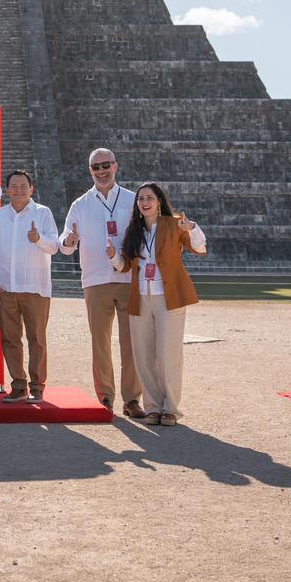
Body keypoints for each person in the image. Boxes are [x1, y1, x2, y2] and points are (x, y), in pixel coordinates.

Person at [108, 182, 206, 426]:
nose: (145, 202)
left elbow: (199, 248)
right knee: (143, 356)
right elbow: (126, 266)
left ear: (159, 201)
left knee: (168, 354)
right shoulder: (134, 230)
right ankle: (152, 407)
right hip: (140, 298)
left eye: (149, 197)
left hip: (168, 298)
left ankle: (170, 408)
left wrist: (192, 228)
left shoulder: (175, 224)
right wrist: (113, 257)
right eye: (141, 198)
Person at [59, 148, 144, 417]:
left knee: (132, 342)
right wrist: (69, 240)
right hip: (95, 280)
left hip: (128, 277)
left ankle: (132, 399)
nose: (101, 171)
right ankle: (105, 396)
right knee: (100, 343)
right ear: (90, 171)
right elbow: (65, 243)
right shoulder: (80, 204)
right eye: (96, 167)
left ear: (115, 166)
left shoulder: (132, 199)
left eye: (105, 165)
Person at [0, 169, 60, 403]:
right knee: (10, 339)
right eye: (14, 186)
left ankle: (37, 386)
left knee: (37, 340)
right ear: (7, 190)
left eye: (23, 186)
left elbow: (54, 247)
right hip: (5, 288)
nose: (18, 190)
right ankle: (18, 385)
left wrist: (39, 239)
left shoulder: (43, 213)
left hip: (35, 288)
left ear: (31, 189)